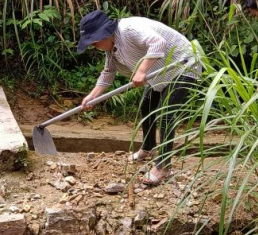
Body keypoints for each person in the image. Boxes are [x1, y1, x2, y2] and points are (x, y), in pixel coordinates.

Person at [77, 10, 201, 185]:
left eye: (93, 41)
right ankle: (148, 148)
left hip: (183, 64)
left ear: (104, 33)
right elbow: (108, 72)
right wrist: (92, 96)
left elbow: (158, 42)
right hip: (160, 74)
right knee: (147, 106)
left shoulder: (129, 28)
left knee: (165, 114)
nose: (93, 46)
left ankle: (163, 166)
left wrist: (142, 71)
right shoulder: (111, 48)